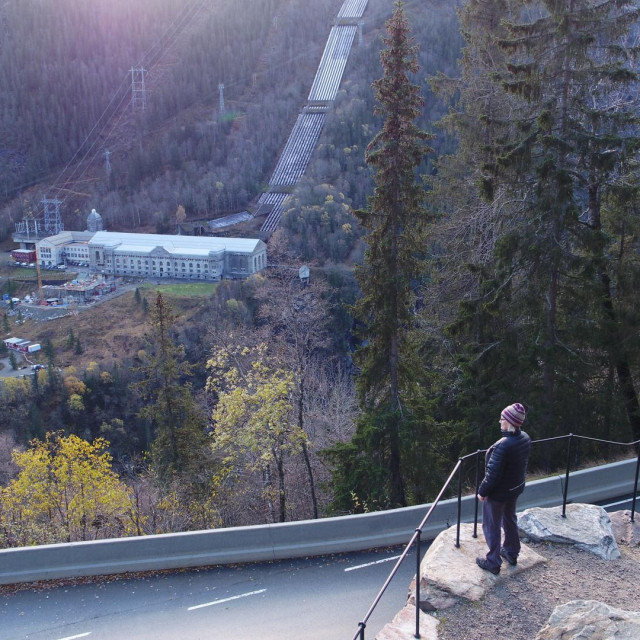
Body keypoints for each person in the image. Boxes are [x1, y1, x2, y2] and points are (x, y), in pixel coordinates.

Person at [476, 402, 531, 575]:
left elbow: (492, 475)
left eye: (502, 419)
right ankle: (511, 552)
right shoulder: (525, 438)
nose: (500, 422)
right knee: (510, 519)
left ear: (509, 421)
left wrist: (482, 492)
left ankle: (493, 562)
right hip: (514, 488)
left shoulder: (503, 445)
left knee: (492, 526)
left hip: (498, 494)